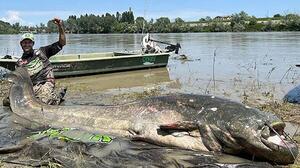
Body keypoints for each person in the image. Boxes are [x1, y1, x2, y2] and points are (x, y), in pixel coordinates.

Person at [3, 18, 67, 106]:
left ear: (33, 44)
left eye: (29, 42)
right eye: (24, 42)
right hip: (32, 87)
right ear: (21, 44)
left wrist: (60, 26)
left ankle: (57, 97)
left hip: (46, 82)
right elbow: (20, 82)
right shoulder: (19, 63)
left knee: (43, 102)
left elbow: (62, 43)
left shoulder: (42, 51)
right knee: (7, 102)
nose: (27, 44)